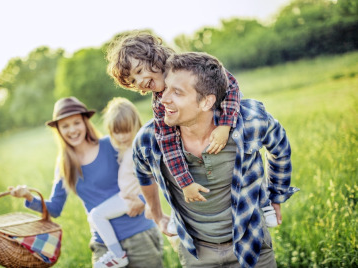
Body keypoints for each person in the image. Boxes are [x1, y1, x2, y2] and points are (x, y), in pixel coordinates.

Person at [132, 52, 299, 268]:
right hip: (196, 254)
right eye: (166, 89)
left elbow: (280, 148)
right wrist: (156, 215)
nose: (163, 98)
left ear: (207, 101)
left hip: (252, 244)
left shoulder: (249, 122)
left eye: (177, 92)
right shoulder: (149, 139)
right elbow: (142, 173)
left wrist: (276, 194)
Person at [106, 31, 278, 228]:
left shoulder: (192, 67)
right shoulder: (160, 104)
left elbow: (231, 85)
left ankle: (262, 201)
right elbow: (168, 144)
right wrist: (185, 183)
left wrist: (225, 126)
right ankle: (182, 218)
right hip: (198, 141)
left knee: (245, 154)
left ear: (153, 56)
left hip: (224, 120)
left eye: (138, 72)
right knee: (201, 170)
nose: (140, 84)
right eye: (134, 83)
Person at [8, 96, 164, 268]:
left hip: (139, 236)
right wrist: (29, 197)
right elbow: (54, 208)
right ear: (58, 130)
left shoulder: (111, 144)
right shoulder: (65, 165)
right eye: (65, 126)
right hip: (104, 245)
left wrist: (143, 200)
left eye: (76, 122)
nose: (72, 130)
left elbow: (143, 172)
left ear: (85, 123)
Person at [87, 97, 144, 267]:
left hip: (132, 198)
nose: (121, 136)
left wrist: (143, 199)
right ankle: (116, 253)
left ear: (135, 125)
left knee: (97, 215)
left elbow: (152, 176)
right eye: (116, 132)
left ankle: (117, 255)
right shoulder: (125, 147)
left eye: (126, 130)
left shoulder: (138, 148)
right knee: (95, 216)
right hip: (125, 195)